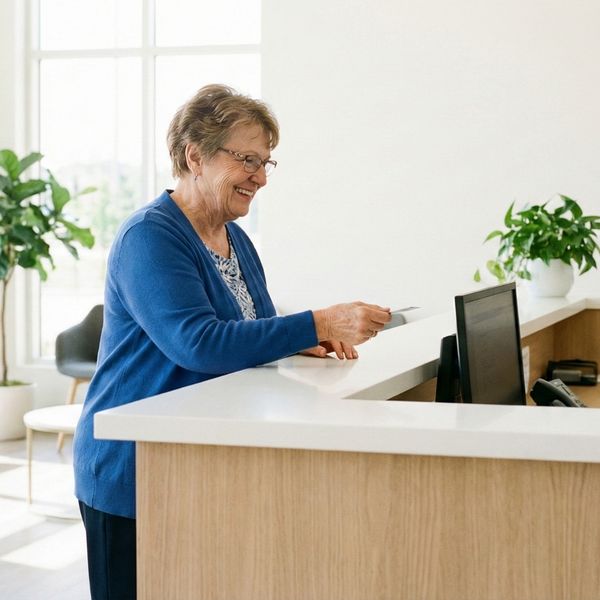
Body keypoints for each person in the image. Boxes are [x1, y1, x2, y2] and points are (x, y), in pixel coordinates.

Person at [73, 83, 391, 600]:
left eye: (267, 162)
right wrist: (316, 324)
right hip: (133, 471)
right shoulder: (150, 237)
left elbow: (251, 326)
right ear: (195, 156)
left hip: (198, 468)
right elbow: (197, 343)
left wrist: (293, 341)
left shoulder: (233, 236)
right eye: (247, 159)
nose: (261, 177)